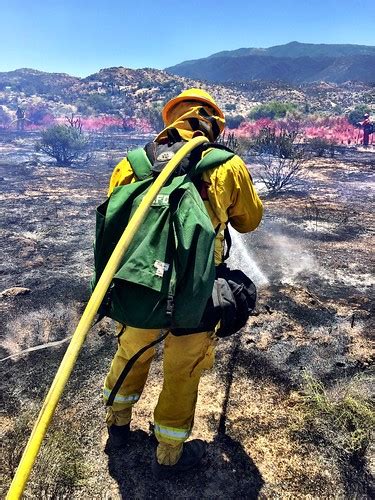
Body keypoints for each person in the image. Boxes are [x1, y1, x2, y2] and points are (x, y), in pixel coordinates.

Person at [102, 88, 263, 477]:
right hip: (197, 288)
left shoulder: (132, 164)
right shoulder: (226, 165)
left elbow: (116, 216)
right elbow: (249, 220)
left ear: (169, 119)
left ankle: (118, 426)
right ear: (215, 126)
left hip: (141, 282)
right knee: (183, 368)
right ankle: (169, 454)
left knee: (132, 350)